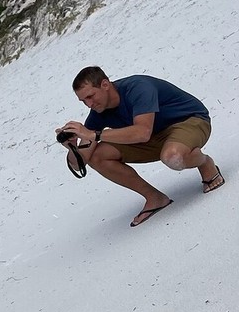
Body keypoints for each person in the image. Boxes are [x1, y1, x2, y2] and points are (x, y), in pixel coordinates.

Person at [56, 67, 224, 227]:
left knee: (173, 157)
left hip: (189, 121)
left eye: (90, 96)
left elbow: (142, 132)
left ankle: (205, 163)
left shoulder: (137, 87)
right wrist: (72, 148)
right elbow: (79, 164)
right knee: (97, 157)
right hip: (153, 137)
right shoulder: (98, 113)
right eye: (83, 101)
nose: (89, 104)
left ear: (105, 85)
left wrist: (94, 135)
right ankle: (155, 198)